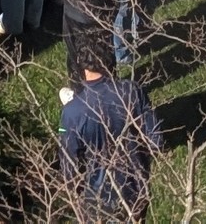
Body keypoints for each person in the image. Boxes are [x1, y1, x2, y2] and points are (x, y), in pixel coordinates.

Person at [60, 42, 163, 218]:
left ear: (81, 68)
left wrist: (74, 193)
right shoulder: (132, 90)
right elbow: (156, 140)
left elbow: (69, 163)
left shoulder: (72, 112)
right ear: (108, 62)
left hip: (98, 194)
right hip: (136, 187)